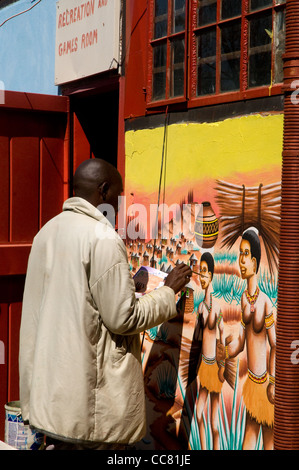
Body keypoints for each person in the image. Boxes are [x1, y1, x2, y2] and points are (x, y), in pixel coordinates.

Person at [19, 158, 192, 450]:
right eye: (119, 196)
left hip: (52, 401)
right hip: (89, 410)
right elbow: (122, 319)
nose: (121, 206)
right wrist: (167, 291)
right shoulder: (103, 239)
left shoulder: (45, 233)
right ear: (103, 190)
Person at [217, 228, 275, 450]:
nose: (240, 261)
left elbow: (276, 344)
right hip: (252, 385)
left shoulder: (266, 303)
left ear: (254, 261)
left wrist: (273, 381)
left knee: (270, 442)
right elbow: (242, 340)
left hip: (266, 387)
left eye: (244, 254)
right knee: (248, 441)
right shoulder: (244, 299)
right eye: (240, 254)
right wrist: (226, 353)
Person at [193, 252, 225, 450]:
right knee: (199, 415)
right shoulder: (201, 308)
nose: (201, 276)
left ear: (211, 275)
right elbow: (197, 338)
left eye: (204, 272)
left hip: (214, 368)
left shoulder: (216, 307)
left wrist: (222, 367)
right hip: (204, 366)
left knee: (213, 422)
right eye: (200, 271)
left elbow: (221, 337)